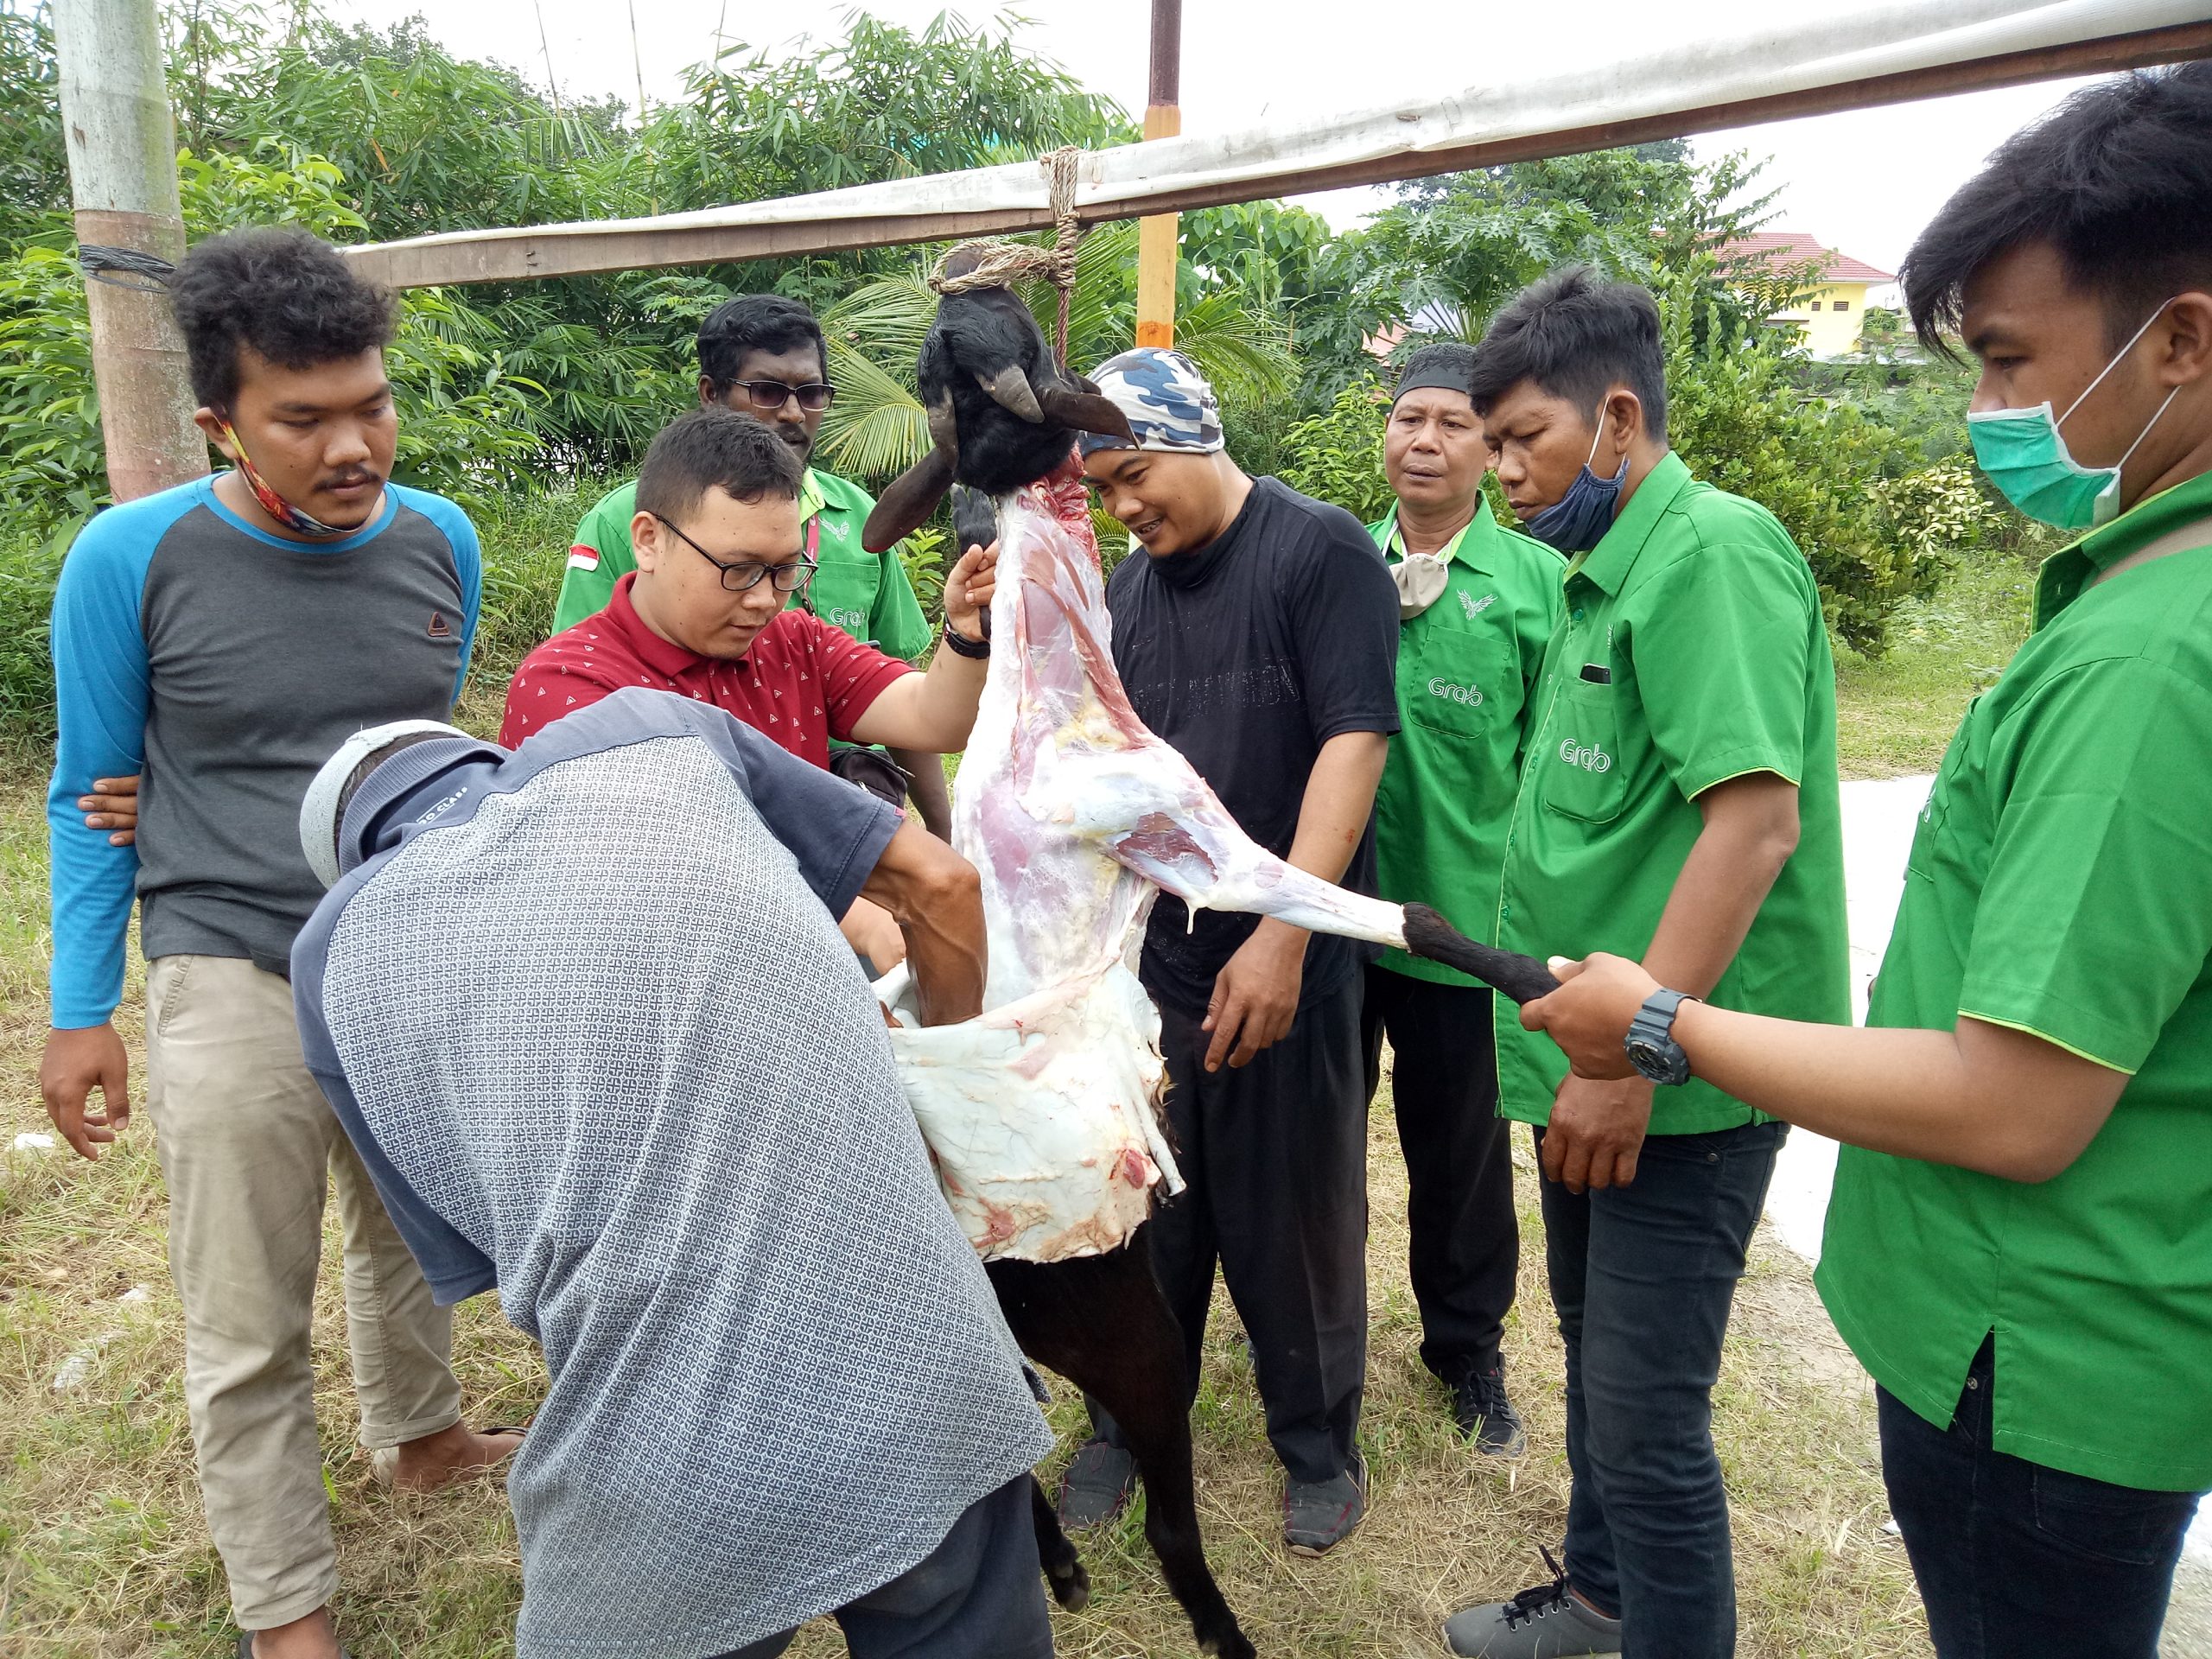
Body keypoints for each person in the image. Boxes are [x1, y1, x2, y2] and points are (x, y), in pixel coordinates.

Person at [1519, 64, 2212, 1659]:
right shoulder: (2137, 599)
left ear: (2178, 338)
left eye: (2009, 362)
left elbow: (2023, 1101)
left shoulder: (2150, 660)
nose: (1988, 418)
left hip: (2033, 1348)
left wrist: (1656, 1028)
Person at [290, 688, 1054, 1659]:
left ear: (359, 858)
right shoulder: (655, 728)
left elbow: (477, 1254)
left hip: (660, 1464)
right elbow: (940, 884)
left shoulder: (326, 960)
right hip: (921, 1367)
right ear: (478, 756)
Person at [38, 227, 518, 1659]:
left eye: (370, 403)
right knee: (247, 1311)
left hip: (394, 953)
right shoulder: (132, 558)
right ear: (219, 424)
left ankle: (420, 1433)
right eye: (302, 418)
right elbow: (92, 787)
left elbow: (416, 751)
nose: (352, 445)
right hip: (226, 959)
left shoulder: (443, 542)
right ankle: (284, 1611)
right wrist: (78, 1008)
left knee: (412, 1233)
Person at [1443, 269, 1849, 1659]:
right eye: (1490, 445)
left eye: (1521, 441)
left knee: (1650, 1422)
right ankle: (1603, 1603)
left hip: (1674, 1075)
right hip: (1595, 1057)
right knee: (1597, 1370)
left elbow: (1754, 821)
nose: (1502, 474)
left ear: (1618, 419)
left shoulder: (1710, 556)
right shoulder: (1589, 573)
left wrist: (1637, 1048)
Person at [1069, 346, 1402, 1556]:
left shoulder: (1319, 553)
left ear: (1198, 440)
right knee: (1141, 1213)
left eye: (1137, 473)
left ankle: (1317, 1440)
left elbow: (1353, 743)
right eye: (1104, 489)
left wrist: (1283, 932)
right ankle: (1123, 1420)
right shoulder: (1124, 593)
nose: (1127, 505)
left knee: (1293, 1218)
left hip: (1287, 958)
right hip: (1153, 965)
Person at [502, 407, 995, 975]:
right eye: (738, 569)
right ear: (648, 541)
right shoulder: (571, 685)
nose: (764, 599)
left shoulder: (795, 643)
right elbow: (662, 874)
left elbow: (933, 721)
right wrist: (850, 914)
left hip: (797, 959)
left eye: (786, 571)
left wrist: (966, 637)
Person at [1362, 344, 1562, 1457]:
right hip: (1337, 920)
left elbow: (1546, 772)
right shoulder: (1336, 561)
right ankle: (1306, 1329)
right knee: (1306, 1142)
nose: (1424, 441)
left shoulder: (1538, 590)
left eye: (1452, 423)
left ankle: (1466, 1351)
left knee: (1464, 1156)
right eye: (1407, 419)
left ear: (1491, 449)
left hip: (1467, 933)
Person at [556, 293, 953, 836]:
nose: (792, 413)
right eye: (768, 391)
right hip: (681, 790)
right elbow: (585, 682)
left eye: (811, 393)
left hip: (848, 776)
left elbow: (911, 702)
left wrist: (943, 830)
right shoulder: (627, 521)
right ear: (711, 395)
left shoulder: (865, 516)